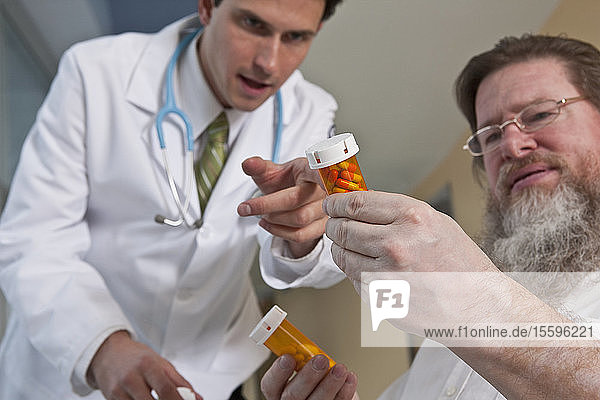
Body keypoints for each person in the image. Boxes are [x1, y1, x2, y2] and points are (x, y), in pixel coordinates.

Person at [0, 0, 347, 399]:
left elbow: (325, 259)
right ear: (206, 7)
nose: (269, 62)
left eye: (295, 37)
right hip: (73, 358)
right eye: (252, 24)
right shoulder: (95, 74)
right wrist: (103, 346)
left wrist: (304, 234)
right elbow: (33, 240)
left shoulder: (313, 113)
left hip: (207, 373)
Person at [260, 34, 600, 399]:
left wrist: (473, 299)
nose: (513, 147)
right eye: (490, 136)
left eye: (540, 114)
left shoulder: (463, 304)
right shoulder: (444, 333)